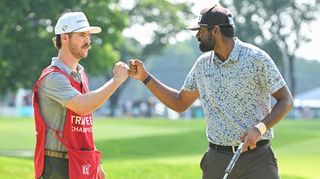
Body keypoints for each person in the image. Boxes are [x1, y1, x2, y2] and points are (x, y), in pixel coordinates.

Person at [129, 4, 293, 179]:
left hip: (257, 161)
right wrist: (145, 77)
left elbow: (286, 100)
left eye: (201, 30)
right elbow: (179, 102)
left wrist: (259, 129)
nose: (197, 35)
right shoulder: (202, 65)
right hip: (217, 160)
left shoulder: (256, 58)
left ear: (215, 30)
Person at [33, 12, 129, 179]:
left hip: (80, 161)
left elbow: (82, 124)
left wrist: (95, 162)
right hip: (56, 165)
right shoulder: (53, 77)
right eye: (81, 35)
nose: (88, 41)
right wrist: (116, 81)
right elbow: (83, 106)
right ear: (64, 37)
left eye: (88, 35)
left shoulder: (80, 74)